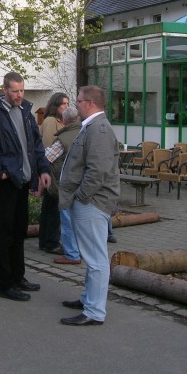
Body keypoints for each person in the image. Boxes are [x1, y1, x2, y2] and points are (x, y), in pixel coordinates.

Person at [0, 71, 51, 302]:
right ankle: (5, 283)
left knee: (19, 232)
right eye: (15, 91)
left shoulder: (27, 113)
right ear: (5, 90)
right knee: (4, 234)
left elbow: (36, 146)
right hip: (7, 184)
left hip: (23, 182)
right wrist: (0, 173)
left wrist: (44, 170)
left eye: (22, 90)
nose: (19, 95)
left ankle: (18, 277)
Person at [59, 85, 120, 326]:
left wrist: (81, 196)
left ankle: (94, 311)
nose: (76, 105)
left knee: (96, 259)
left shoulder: (100, 130)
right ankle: (88, 300)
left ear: (90, 103)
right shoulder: (93, 127)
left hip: (92, 203)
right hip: (90, 202)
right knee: (92, 256)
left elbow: (98, 171)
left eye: (79, 101)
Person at [44, 106, 82, 266]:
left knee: (66, 220)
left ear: (64, 121)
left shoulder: (63, 138)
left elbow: (47, 157)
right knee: (78, 220)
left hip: (66, 184)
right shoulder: (85, 132)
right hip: (82, 183)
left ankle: (72, 254)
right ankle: (77, 250)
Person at [38, 92, 69, 255]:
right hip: (52, 170)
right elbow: (49, 148)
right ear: (55, 105)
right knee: (52, 208)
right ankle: (50, 242)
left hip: (56, 171)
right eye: (63, 104)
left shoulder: (60, 122)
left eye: (67, 104)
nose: (65, 106)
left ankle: (45, 241)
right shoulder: (51, 121)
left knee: (49, 206)